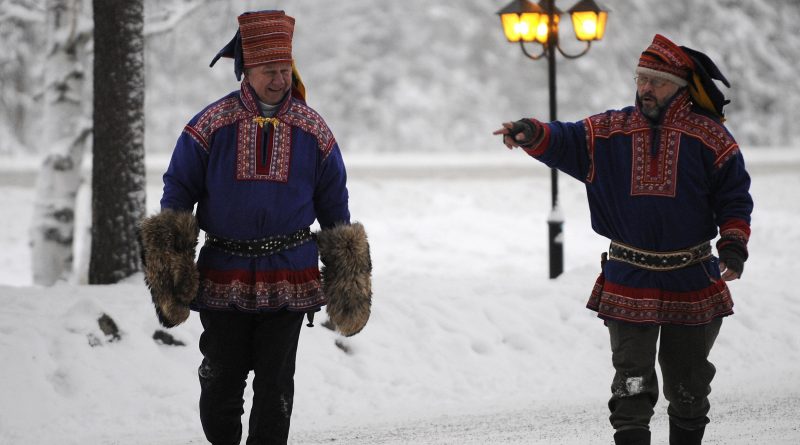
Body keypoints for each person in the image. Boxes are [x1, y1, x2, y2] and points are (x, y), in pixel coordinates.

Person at [493, 34, 752, 445]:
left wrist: (734, 246)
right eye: (641, 79)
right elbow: (566, 138)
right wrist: (530, 131)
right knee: (630, 384)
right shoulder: (610, 131)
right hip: (628, 274)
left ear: (680, 88)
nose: (645, 88)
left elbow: (734, 197)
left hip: (692, 277)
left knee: (689, 387)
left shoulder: (712, 138)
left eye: (657, 82)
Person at [138, 10, 372, 445]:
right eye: (270, 71)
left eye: (285, 70)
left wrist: (347, 278)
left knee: (276, 383)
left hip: (290, 273)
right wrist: (171, 265)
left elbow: (334, 203)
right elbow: (177, 190)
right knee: (222, 380)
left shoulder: (313, 129)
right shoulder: (210, 125)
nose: (280, 79)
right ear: (246, 70)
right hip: (222, 270)